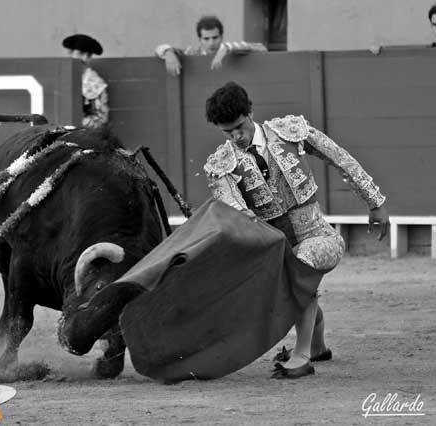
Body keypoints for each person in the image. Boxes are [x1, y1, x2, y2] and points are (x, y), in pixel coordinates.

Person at [203, 82, 389, 379]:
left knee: (301, 266)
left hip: (319, 236)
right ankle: (317, 346)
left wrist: (375, 202)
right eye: (227, 132)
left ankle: (301, 356)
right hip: (276, 248)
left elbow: (339, 158)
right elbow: (238, 211)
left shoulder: (290, 130)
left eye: (239, 127)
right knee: (295, 284)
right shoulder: (221, 165)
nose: (235, 137)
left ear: (250, 112)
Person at [155, 15, 267, 76]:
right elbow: (158, 49)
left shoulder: (233, 49)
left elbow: (261, 48)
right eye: (206, 39)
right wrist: (168, 53)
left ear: (221, 36)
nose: (211, 43)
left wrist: (225, 49)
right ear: (199, 39)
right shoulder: (193, 53)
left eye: (215, 38)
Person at [62, 34, 109, 128]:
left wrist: (74, 123)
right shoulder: (62, 76)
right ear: (70, 53)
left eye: (88, 55)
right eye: (80, 53)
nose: (84, 58)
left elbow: (101, 119)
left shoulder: (94, 82)